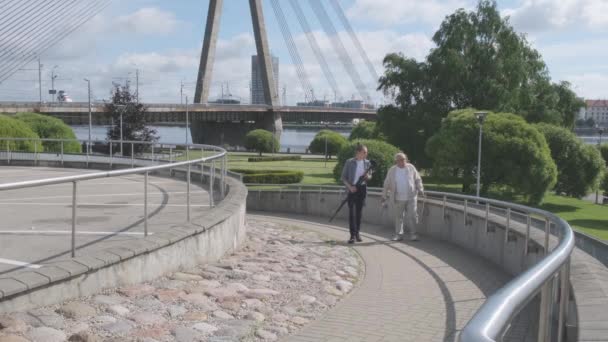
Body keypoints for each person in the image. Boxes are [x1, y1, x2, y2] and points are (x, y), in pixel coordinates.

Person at [381, 152, 424, 241]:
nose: (402, 161)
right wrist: (384, 195)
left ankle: (413, 234)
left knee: (412, 215)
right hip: (398, 198)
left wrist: (420, 189)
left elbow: (418, 179)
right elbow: (386, 183)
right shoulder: (392, 170)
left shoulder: (411, 167)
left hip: (411, 197)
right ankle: (399, 235)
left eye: (403, 159)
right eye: (399, 160)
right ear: (396, 161)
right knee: (399, 217)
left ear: (406, 159)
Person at [340, 144, 372, 244]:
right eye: (364, 152)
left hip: (362, 189)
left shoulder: (367, 163)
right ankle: (352, 235)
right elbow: (343, 178)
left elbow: (370, 177)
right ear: (358, 152)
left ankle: (357, 233)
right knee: (352, 212)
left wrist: (367, 176)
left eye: (366, 152)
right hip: (352, 189)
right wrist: (350, 187)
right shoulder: (349, 162)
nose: (366, 154)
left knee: (359, 212)